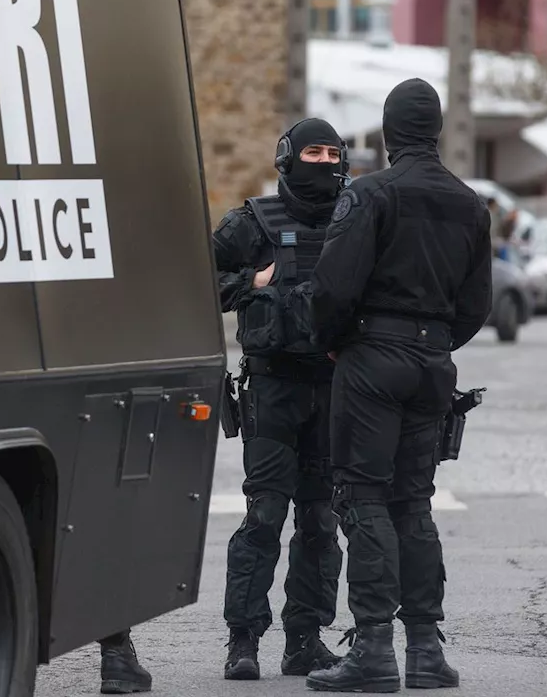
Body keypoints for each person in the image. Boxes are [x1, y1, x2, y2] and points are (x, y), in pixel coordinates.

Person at [304, 78, 493, 692]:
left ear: (387, 135)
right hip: (434, 360)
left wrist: (335, 340)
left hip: (372, 356)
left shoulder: (370, 194)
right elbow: (477, 304)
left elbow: (332, 287)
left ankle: (375, 650)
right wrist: (434, 342)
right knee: (414, 502)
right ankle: (425, 650)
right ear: (436, 131)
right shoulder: (470, 203)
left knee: (363, 496)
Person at [213, 118, 350, 680]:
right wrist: (252, 284)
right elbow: (197, 279)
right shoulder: (252, 222)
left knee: (320, 519)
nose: (322, 162)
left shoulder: (355, 217)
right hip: (272, 389)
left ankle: (305, 639)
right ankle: (243, 641)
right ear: (287, 157)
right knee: (265, 513)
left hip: (334, 389)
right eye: (312, 151)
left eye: (332, 152)